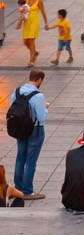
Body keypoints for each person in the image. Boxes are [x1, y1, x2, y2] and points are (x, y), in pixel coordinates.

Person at [9, 68, 47, 200]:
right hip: (35, 130)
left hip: (20, 129)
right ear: (39, 80)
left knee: (20, 158)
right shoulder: (38, 96)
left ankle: (17, 187)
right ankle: (28, 191)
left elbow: (12, 106)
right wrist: (46, 108)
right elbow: (41, 118)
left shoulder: (17, 91)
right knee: (31, 161)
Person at [18, 0, 48, 66]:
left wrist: (46, 23)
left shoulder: (39, 0)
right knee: (25, 41)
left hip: (34, 22)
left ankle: (31, 60)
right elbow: (24, 9)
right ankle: (34, 52)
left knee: (31, 41)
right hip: (27, 21)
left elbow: (43, 12)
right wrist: (20, 20)